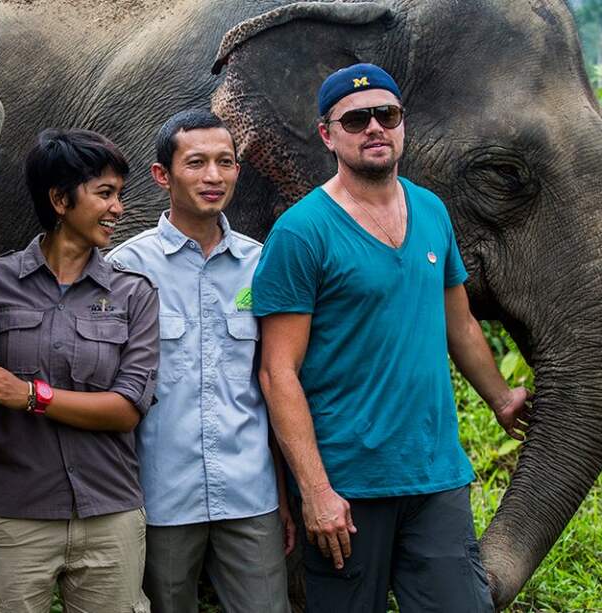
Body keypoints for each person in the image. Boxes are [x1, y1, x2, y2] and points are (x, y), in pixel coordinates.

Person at [252, 63, 530, 612]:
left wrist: (501, 398)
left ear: (403, 125)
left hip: (433, 473)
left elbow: (460, 322)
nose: (374, 127)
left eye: (387, 114)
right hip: (348, 485)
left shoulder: (431, 210)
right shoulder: (301, 232)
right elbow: (276, 371)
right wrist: (314, 490)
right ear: (327, 134)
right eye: (356, 120)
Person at [0, 128, 159, 613]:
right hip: (15, 515)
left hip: (110, 515)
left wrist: (30, 395)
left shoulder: (134, 294)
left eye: (120, 194)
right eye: (105, 194)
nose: (118, 208)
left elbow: (125, 408)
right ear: (59, 199)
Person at [107, 109, 293, 613]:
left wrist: (284, 493)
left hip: (250, 494)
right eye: (196, 163)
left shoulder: (263, 264)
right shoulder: (124, 269)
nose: (213, 177)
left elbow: (275, 384)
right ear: (162, 175)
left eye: (225, 162)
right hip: (160, 496)